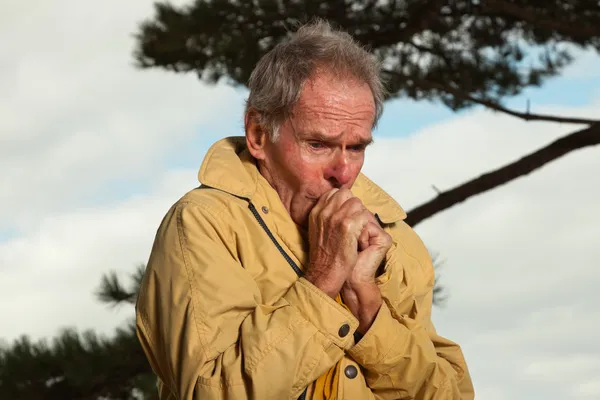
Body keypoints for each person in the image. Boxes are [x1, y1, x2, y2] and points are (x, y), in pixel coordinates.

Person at [135, 19, 474, 399]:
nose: (343, 172)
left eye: (357, 147)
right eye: (318, 144)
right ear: (259, 135)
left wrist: (367, 307)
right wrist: (324, 280)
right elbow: (211, 393)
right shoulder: (203, 223)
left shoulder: (398, 244)